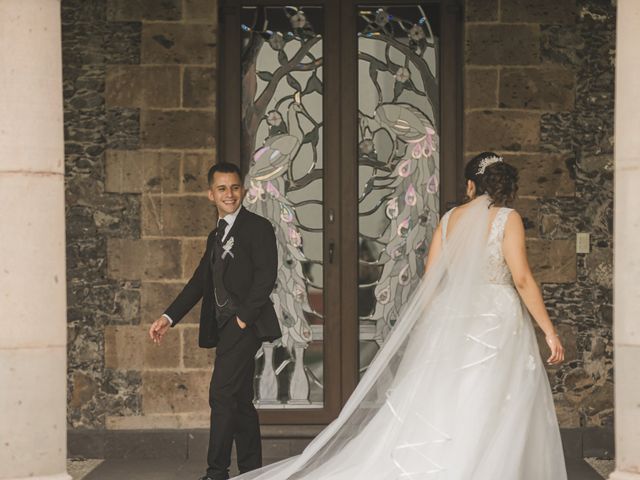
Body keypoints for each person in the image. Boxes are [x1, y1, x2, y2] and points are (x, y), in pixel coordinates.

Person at [232, 152, 567, 479]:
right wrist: (549, 331)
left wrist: (434, 324)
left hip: (453, 316)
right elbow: (522, 279)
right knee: (491, 398)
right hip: (497, 319)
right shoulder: (508, 218)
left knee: (448, 396)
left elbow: (431, 276)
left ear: (470, 186)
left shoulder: (449, 221)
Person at [148, 162, 282, 480]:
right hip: (225, 326)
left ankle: (216, 472)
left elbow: (266, 278)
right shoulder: (215, 236)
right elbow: (198, 282)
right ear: (211, 194)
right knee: (239, 400)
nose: (229, 194)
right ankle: (252, 470)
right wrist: (168, 317)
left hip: (245, 325)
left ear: (244, 191)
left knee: (220, 394)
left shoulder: (258, 228)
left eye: (235, 187)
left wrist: (242, 321)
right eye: (222, 188)